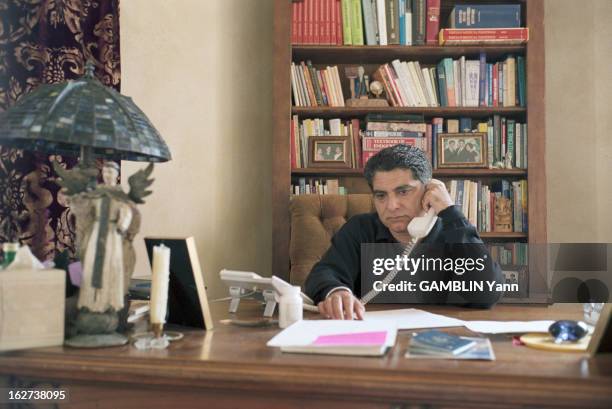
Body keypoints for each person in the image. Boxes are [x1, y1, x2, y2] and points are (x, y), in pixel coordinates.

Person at [304, 144, 504, 320]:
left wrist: (451, 212)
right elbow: (323, 273)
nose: (391, 206)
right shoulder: (360, 229)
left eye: (403, 192)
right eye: (381, 195)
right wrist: (337, 292)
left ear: (429, 191)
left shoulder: (453, 232)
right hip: (373, 338)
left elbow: (486, 294)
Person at [76, 162, 133, 313]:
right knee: (92, 263)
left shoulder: (120, 194)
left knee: (110, 263)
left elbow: (127, 211)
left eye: (111, 172)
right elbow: (86, 209)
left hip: (111, 233)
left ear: (116, 175)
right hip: (96, 230)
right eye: (105, 172)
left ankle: (109, 302)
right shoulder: (96, 192)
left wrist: (122, 222)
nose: (107, 175)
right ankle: (91, 302)